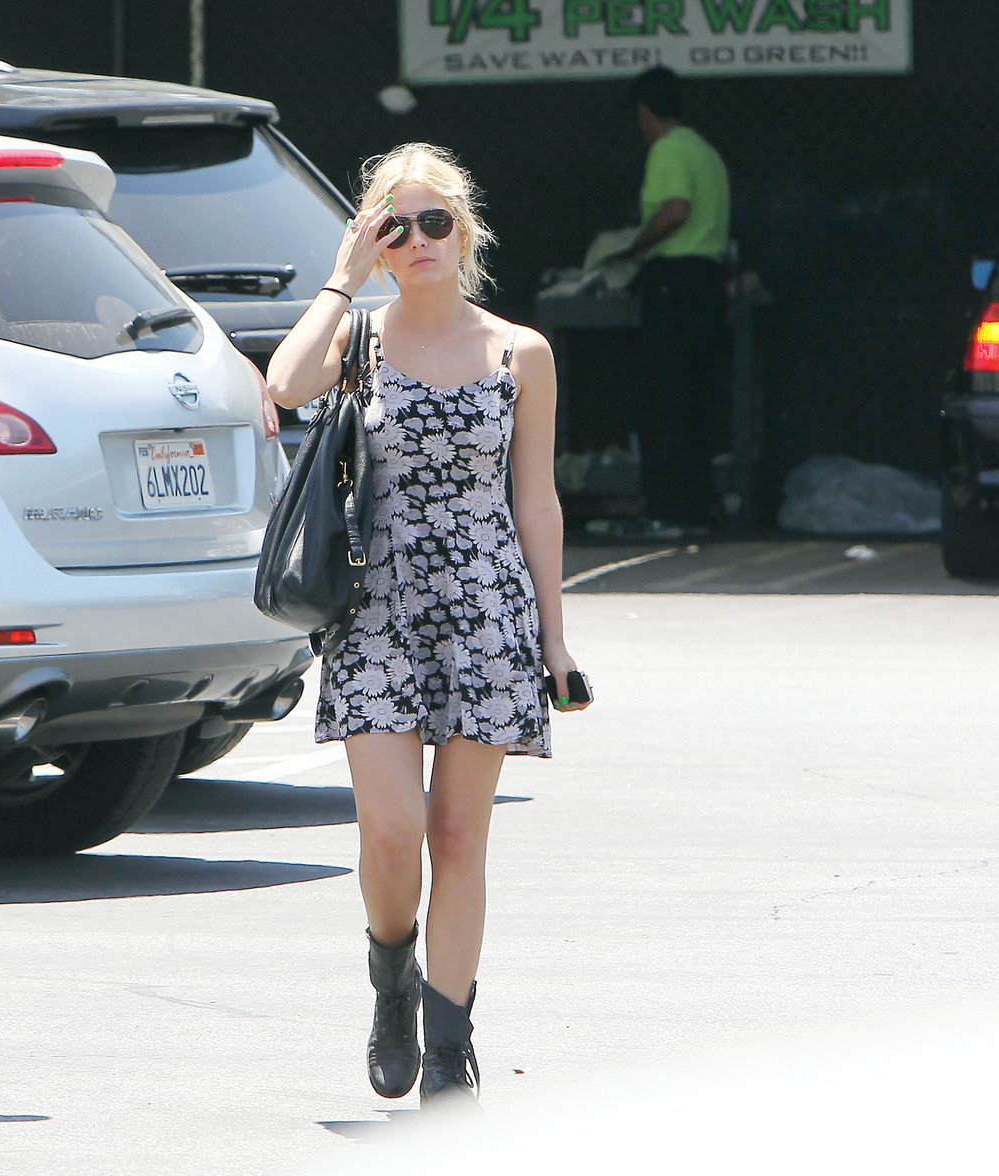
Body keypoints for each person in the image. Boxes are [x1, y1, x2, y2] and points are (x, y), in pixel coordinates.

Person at [265, 143, 589, 1108]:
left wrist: (556, 636)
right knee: (392, 828)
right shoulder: (358, 338)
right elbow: (284, 385)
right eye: (393, 227)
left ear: (466, 231)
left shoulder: (520, 351)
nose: (417, 243)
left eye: (434, 223)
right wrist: (340, 276)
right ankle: (390, 974)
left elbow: (537, 504)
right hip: (376, 608)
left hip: (487, 613)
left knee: (458, 836)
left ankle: (450, 1046)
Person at [625, 65, 732, 538]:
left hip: (675, 280)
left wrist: (636, 246)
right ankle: (696, 508)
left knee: (663, 398)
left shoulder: (667, 149)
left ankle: (665, 510)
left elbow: (676, 209)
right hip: (707, 283)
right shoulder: (706, 151)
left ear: (645, 113)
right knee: (697, 397)